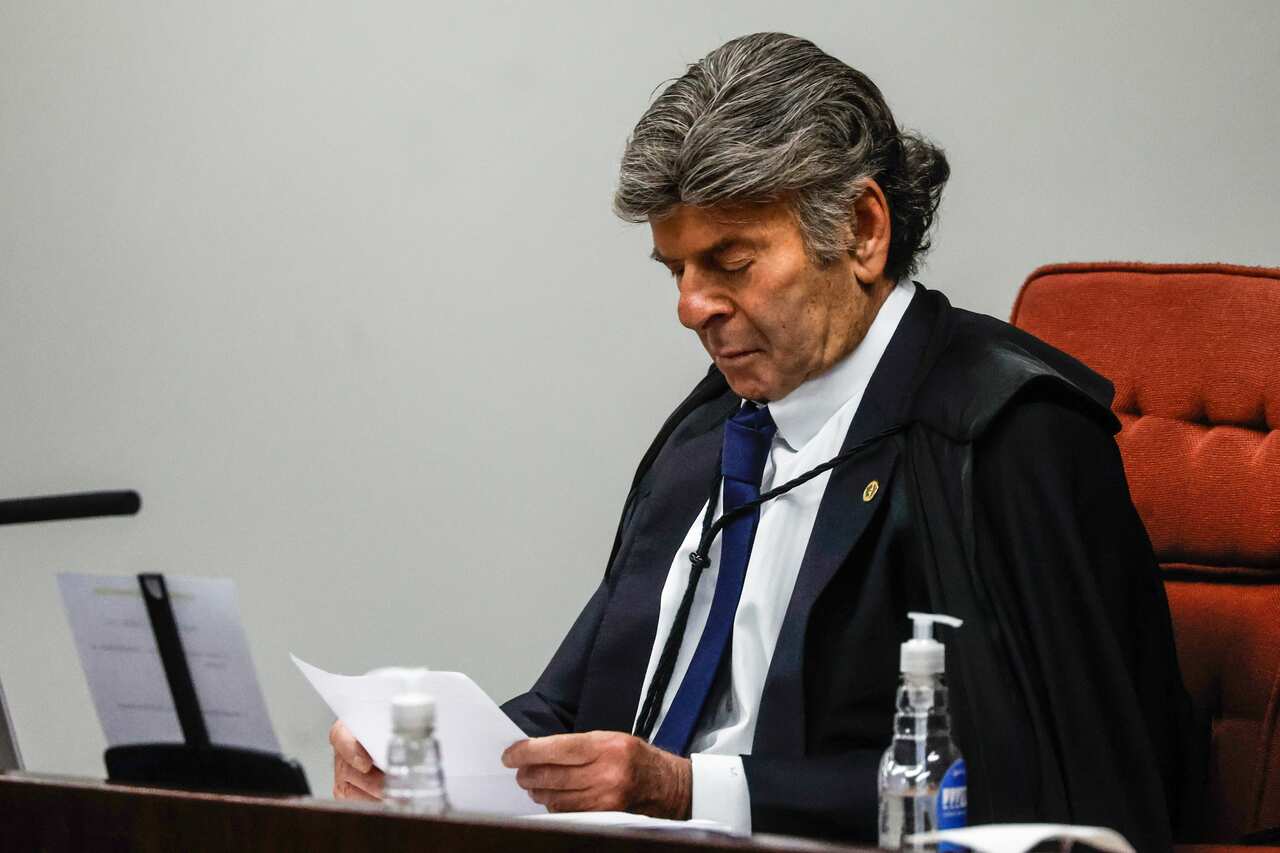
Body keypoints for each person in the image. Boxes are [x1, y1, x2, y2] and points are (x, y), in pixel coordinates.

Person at [330, 32, 1199, 848]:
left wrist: (686, 790)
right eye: (677, 271)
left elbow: (1049, 785)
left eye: (731, 263)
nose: (691, 308)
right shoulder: (710, 430)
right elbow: (576, 708)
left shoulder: (1006, 434)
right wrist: (430, 758)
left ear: (861, 229)